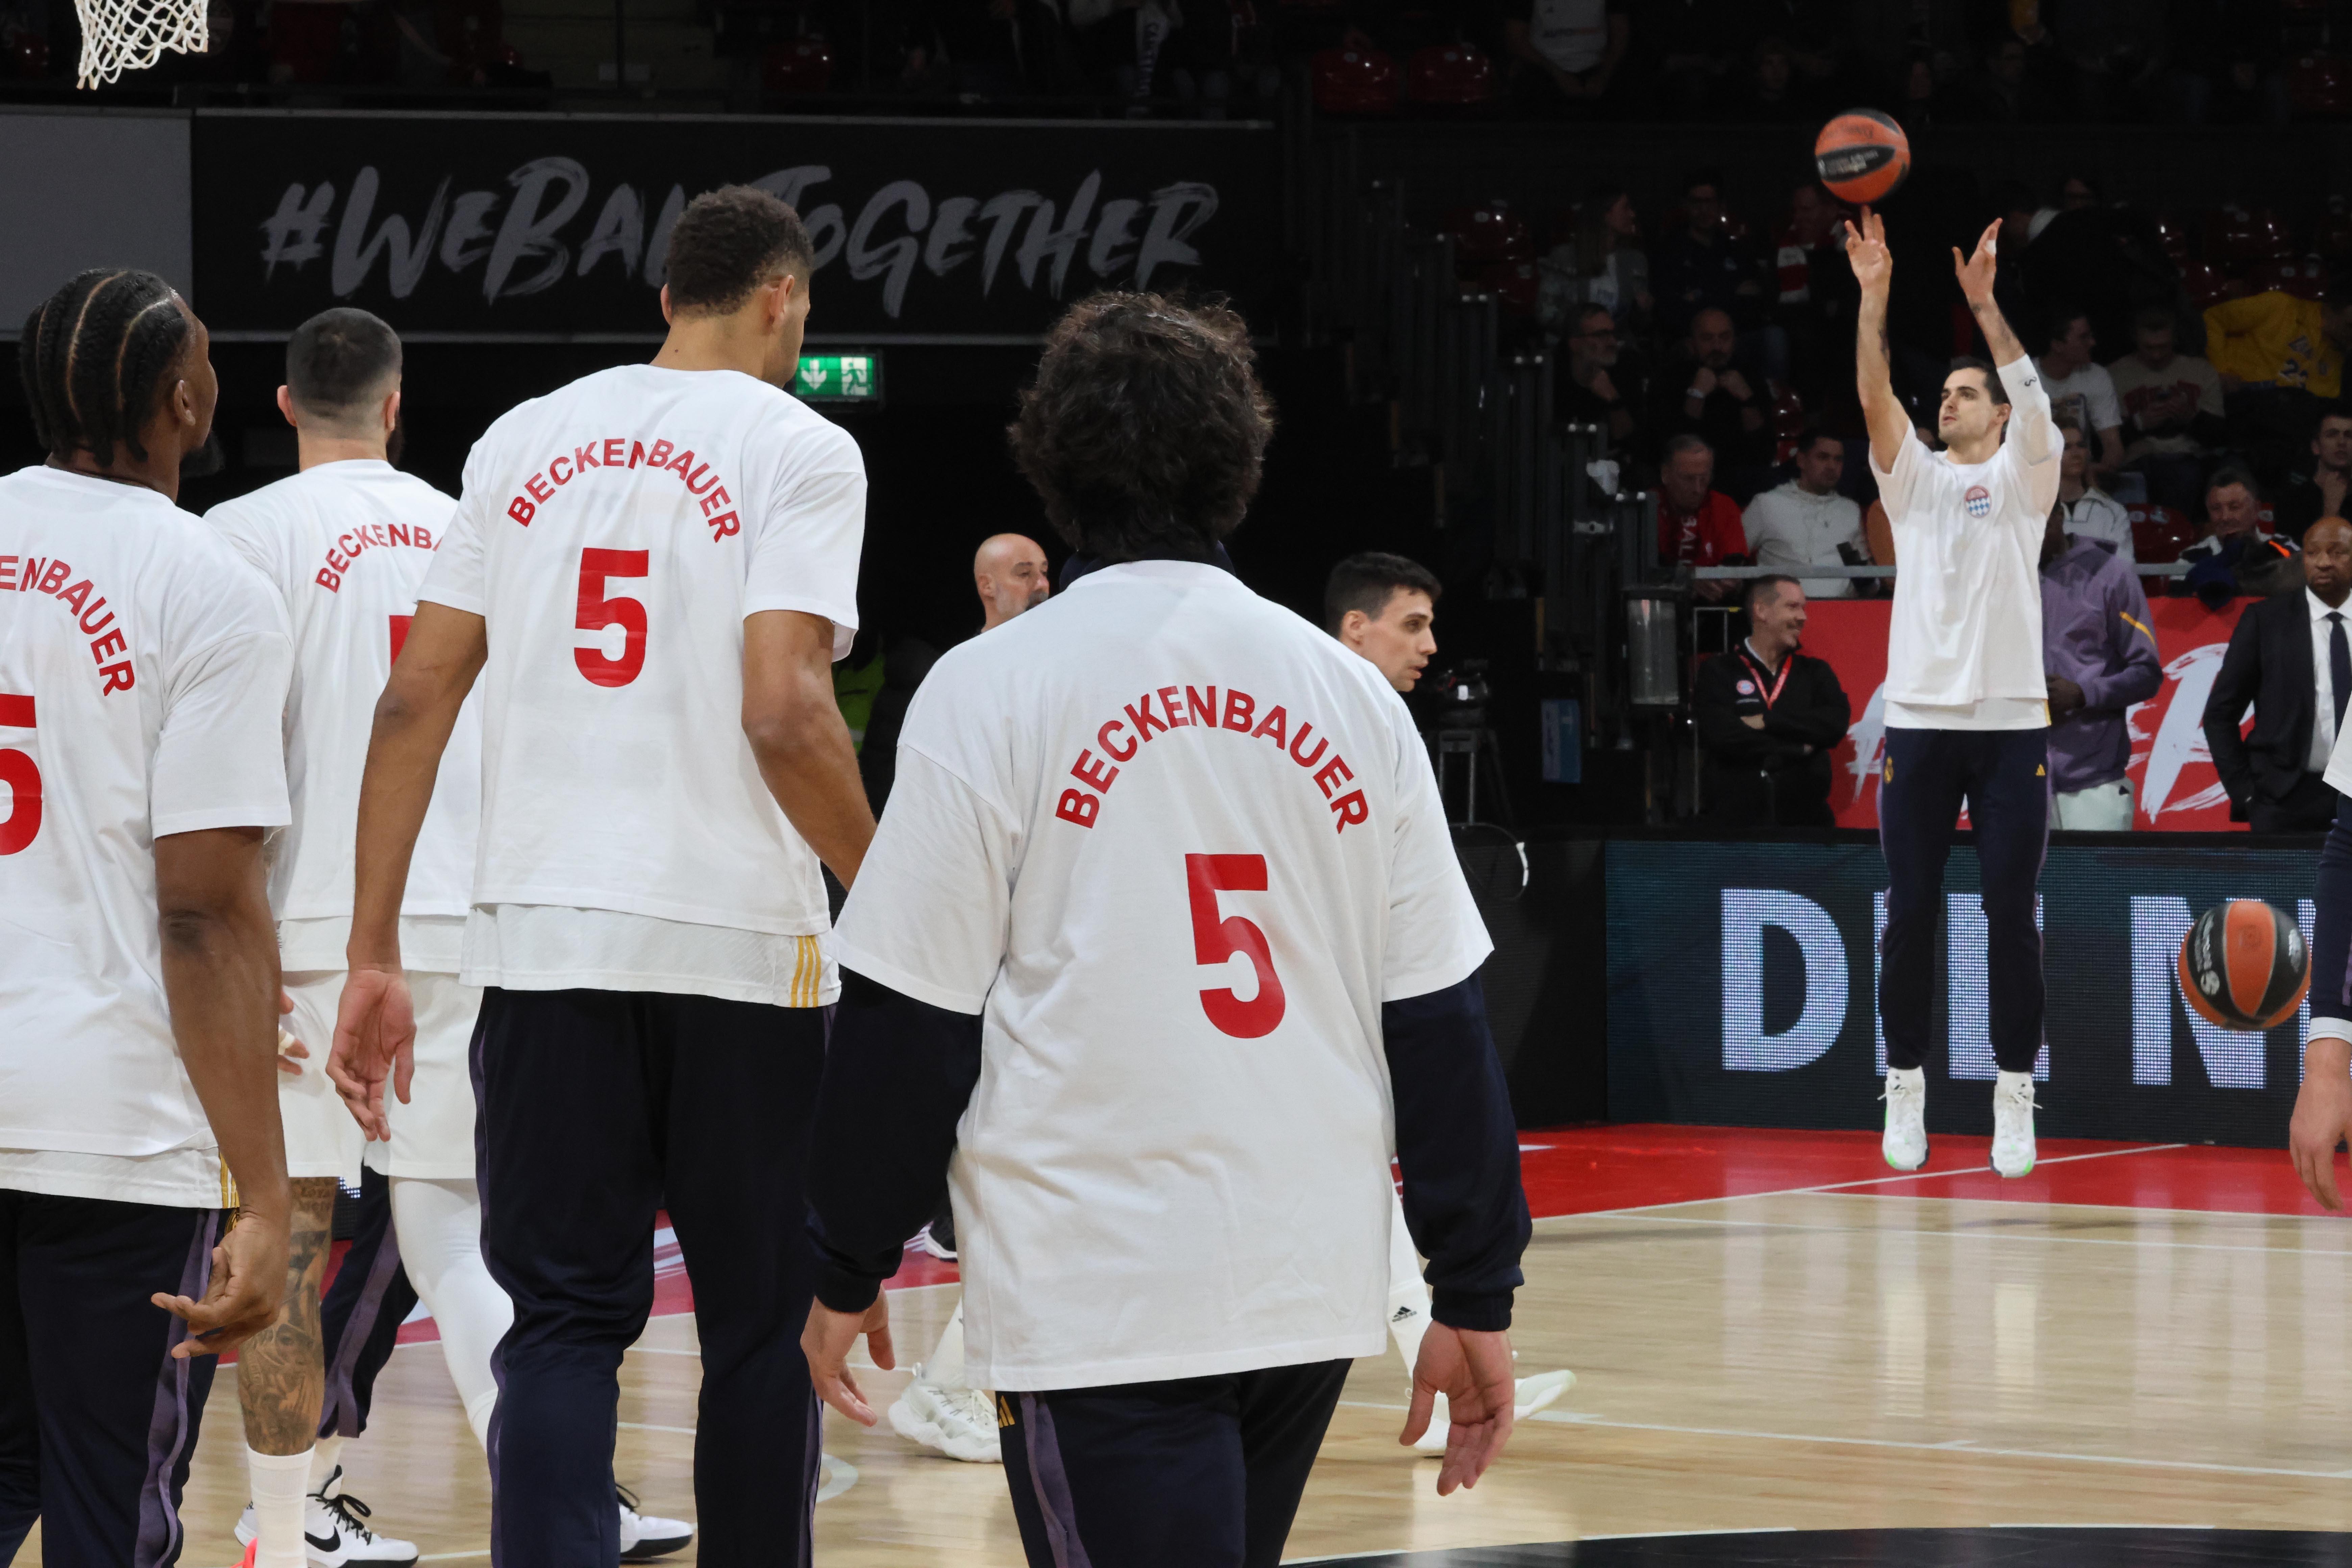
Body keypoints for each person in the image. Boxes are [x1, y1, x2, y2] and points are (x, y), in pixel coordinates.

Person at [798, 293, 1532, 1564]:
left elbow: (911, 1022)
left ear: (1052, 461)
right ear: (1236, 466)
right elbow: (1437, 1020)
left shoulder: (992, 686)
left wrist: (846, 1255)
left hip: (1100, 1291)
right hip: (1304, 1285)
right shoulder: (1347, 694)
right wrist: (1473, 1286)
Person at [328, 186, 871, 1567]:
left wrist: (374, 947)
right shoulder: (800, 446)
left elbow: (413, 702)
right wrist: (895, 883)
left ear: (664, 299)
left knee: (560, 1323)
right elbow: (786, 708)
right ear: (780, 298)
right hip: (740, 946)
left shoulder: (522, 439)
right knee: (757, 1325)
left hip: (542, 944)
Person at [205, 308, 689, 1563]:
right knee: (459, 1227)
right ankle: (569, 1497)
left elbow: (227, 762)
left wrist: (230, 954)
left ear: (281, 404)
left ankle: (279, 1525)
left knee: (293, 1225)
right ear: (399, 400)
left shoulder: (238, 537)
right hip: (467, 911)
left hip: (307, 920)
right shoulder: (472, 519)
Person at [0, 268, 293, 1563]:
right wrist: (272, 1194)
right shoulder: (206, 578)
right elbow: (203, 912)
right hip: (104, 1124)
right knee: (109, 1512)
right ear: (184, 399)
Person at [1322, 551, 1574, 1448]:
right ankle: (965, 1378)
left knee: (1369, 1188)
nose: (1431, 644)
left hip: (1300, 1022)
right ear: (1356, 627)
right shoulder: (1355, 720)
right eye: (1413, 624)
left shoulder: (1331, 715)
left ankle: (1449, 1350)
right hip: (1320, 1018)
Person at [1848, 207, 2060, 1180]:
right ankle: (1907, 1083)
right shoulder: (1916, 486)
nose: (1948, 401)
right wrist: (1875, 295)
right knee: (1911, 911)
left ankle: (2014, 1092)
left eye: (1966, 391)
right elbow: (1873, 394)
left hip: (2014, 724)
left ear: (2002, 413)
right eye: (1945, 392)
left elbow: (2030, 390)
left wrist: (1986, 307)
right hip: (1924, 724)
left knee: (2011, 911)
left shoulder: (2028, 477)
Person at [886, 528, 1061, 1468]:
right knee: (1013, 1197)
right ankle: (944, 1385)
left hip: (1032, 964)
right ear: (986, 584)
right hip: (980, 968)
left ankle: (951, 1384)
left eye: (1045, 567)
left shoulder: (1058, 668)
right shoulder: (967, 679)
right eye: (1023, 571)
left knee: (1025, 1205)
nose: (1043, 580)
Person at [2202, 516, 2352, 834]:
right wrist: (2247, 794)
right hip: (2284, 799)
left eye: (2338, 552)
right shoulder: (2265, 621)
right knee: (2285, 886)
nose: (2324, 562)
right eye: (2313, 553)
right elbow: (2220, 714)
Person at [1692, 575, 1852, 826]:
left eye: (1803, 608)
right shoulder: (1719, 671)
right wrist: (1797, 748)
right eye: (1792, 607)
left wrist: (1767, 720)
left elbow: (1834, 724)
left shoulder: (1815, 672)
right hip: (1734, 828)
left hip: (1806, 826)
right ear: (1761, 611)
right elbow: (1721, 734)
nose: (1803, 617)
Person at [2039, 504, 2161, 830]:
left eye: (2035, 520)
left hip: (2095, 781)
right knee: (2023, 884)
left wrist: (2083, 694)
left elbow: (2147, 672)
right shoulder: (2000, 577)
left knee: (2094, 883)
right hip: (2019, 780)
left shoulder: (2111, 574)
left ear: (2058, 517)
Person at [2108, 305, 2225, 516]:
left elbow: (2220, 435)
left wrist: (2191, 418)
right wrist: (2141, 422)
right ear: (2135, 339)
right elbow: (2106, 440)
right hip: (2139, 458)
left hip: (2189, 456)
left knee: (2186, 473)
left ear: (2175, 340)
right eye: (2149, 348)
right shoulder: (2115, 375)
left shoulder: (2200, 370)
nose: (2156, 355)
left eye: (2163, 347)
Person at [1649, 305, 1770, 485]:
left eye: (1725, 337)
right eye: (1707, 339)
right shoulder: (1669, 379)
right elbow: (1670, 448)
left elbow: (1765, 452)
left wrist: (1747, 399)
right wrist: (1696, 395)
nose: (1717, 346)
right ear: (1692, 344)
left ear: (1734, 341)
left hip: (1741, 478)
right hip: (1688, 479)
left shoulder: (1750, 377)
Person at [1741, 430, 1867, 599]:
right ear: (1801, 460)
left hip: (1840, 615)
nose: (1832, 466)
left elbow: (1867, 579)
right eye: (1823, 457)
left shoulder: (1851, 511)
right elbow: (1735, 558)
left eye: (1838, 460)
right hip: (1780, 616)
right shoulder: (1766, 504)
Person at [2180, 467, 2303, 607]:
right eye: (2216, 509)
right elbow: (2179, 611)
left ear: (2257, 509)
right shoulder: (2189, 557)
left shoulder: (2282, 546)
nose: (2225, 517)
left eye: (2235, 507)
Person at [2205, 285, 2352, 399]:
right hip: (2227, 398)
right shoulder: (2281, 306)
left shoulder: (2339, 358)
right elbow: (2212, 319)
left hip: (2276, 424)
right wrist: (2219, 371)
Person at [2035, 305, 2123, 480]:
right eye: (2084, 338)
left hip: (2082, 475)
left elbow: (2113, 444)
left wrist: (2098, 471)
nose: (2093, 343)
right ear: (2058, 345)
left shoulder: (2096, 376)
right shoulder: (2025, 378)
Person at [1657, 433, 1746, 603]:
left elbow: (1735, 565)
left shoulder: (1724, 506)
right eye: (1688, 479)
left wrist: (1728, 582)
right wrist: (1687, 579)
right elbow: (1643, 571)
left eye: (1704, 479)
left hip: (1712, 609)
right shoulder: (1648, 506)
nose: (1698, 489)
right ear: (1666, 474)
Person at [1502, 0, 1629, 112]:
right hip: (1542, 70)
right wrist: (1557, 75)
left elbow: (1620, 31)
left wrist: (1603, 75)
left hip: (1597, 70)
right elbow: (1515, 38)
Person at [1555, 304, 1639, 459]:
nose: (1613, 342)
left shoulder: (1626, 368)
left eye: (1613, 334)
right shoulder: (1553, 378)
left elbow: (1627, 439)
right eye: (1602, 335)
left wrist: (1613, 398)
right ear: (1575, 344)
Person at [2054, 415, 2134, 564]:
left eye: (2081, 445)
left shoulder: (2113, 512)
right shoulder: (2034, 513)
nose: (2076, 453)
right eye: (2066, 447)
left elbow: (2123, 570)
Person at [2273, 405, 2352, 542]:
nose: (2342, 442)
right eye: (2332, 435)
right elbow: (2300, 560)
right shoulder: (2291, 503)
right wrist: (2331, 512)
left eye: (2349, 435)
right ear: (2316, 447)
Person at [974, 531, 1051, 631]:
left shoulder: (1066, 634)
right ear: (987, 586)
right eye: (1025, 574)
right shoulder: (975, 647)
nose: (1043, 584)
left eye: (1044, 573)